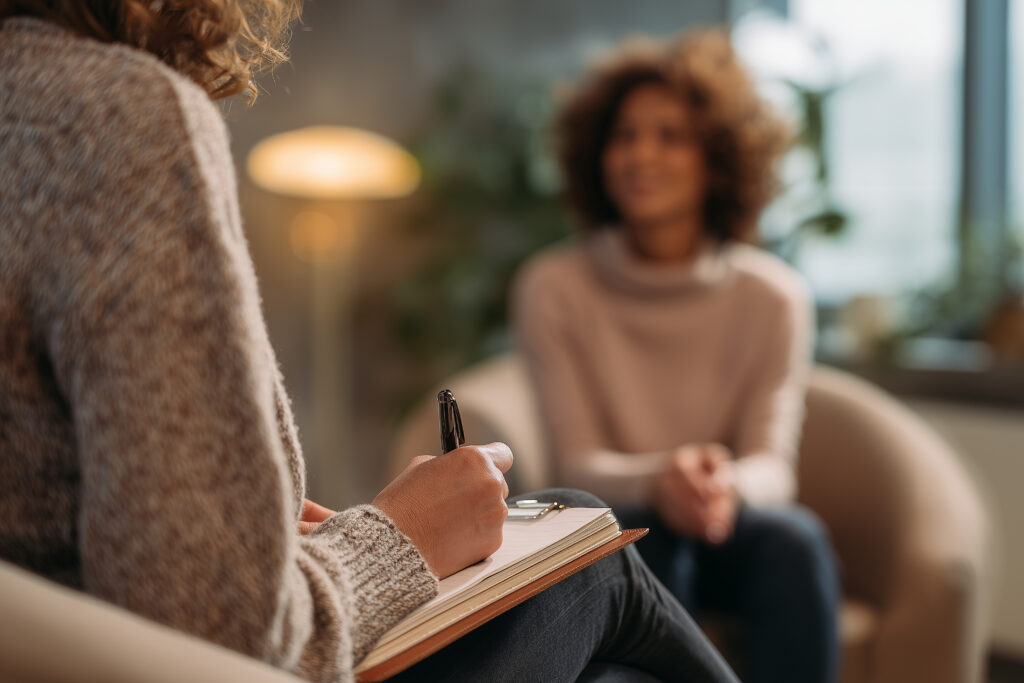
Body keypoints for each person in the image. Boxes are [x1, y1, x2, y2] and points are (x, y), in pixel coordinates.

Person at [0, 4, 739, 682]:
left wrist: (232, 527)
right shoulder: (120, 114)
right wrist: (399, 536)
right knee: (589, 557)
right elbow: (223, 633)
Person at [513, 31, 840, 683]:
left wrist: (717, 485)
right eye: (625, 135)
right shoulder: (554, 286)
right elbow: (574, 463)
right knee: (646, 533)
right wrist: (661, 479)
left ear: (718, 160)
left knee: (795, 540)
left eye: (671, 136)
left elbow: (773, 467)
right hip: (623, 520)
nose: (641, 154)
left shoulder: (772, 295)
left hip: (727, 525)